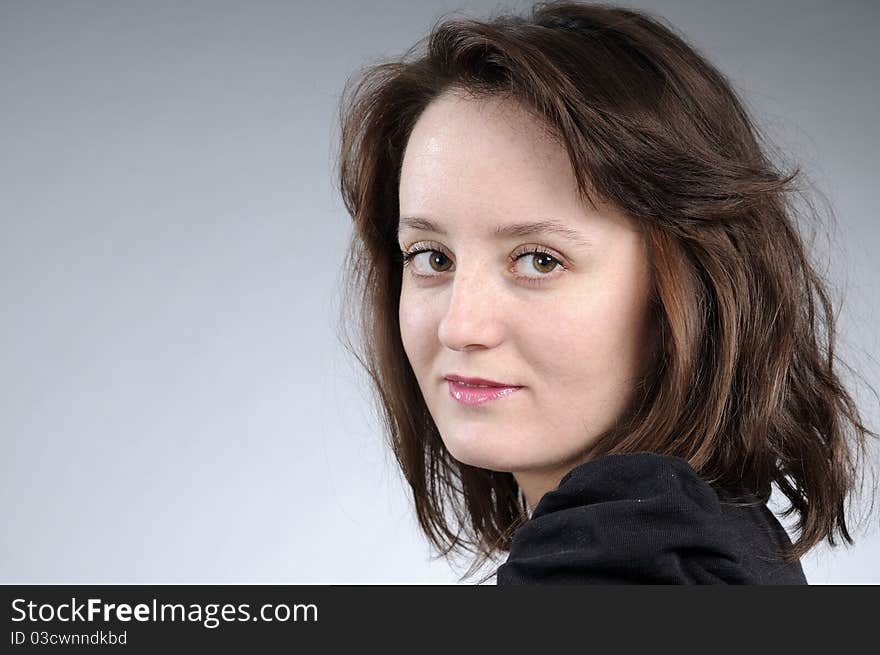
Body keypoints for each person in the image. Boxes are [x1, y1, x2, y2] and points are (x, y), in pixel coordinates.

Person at [334, 0, 877, 584]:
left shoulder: (620, 573)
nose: (459, 326)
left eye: (539, 260)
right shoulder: (706, 545)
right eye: (432, 257)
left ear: (690, 289)